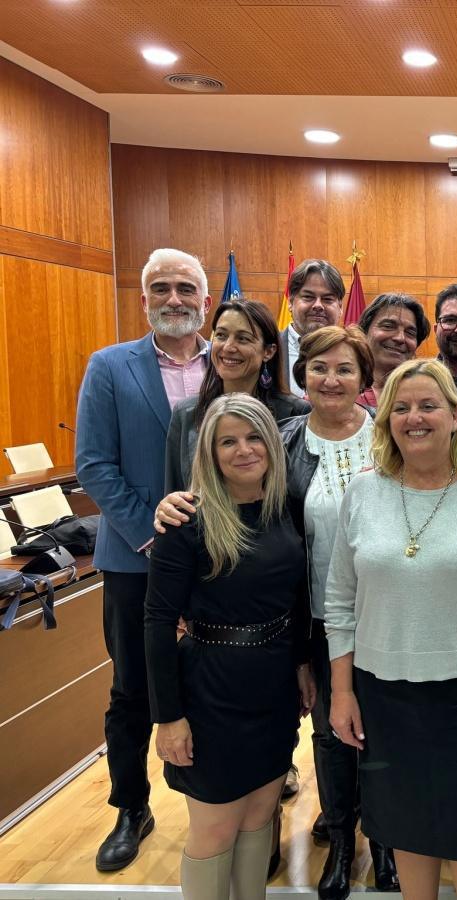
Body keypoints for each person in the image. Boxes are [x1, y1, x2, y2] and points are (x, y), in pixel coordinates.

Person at [155, 325, 398, 898]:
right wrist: (173, 501)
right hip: (310, 622)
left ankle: (386, 842)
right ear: (302, 376)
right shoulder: (281, 439)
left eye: (344, 369)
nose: (331, 379)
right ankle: (340, 841)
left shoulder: (391, 436)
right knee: (332, 736)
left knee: (387, 735)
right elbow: (230, 495)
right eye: (318, 368)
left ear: (366, 378)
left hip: (388, 616)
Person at [325, 359, 457, 900]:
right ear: (386, 420)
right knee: (405, 827)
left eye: (428, 406)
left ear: (455, 415)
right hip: (384, 695)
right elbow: (339, 602)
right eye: (400, 407)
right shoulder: (362, 494)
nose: (414, 418)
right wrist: (342, 692)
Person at [144, 394, 316, 900]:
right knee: (215, 829)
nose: (244, 450)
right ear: (210, 453)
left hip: (274, 686)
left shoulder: (287, 506)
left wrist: (303, 663)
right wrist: (167, 716)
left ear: (272, 442)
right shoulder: (186, 520)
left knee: (260, 820)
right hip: (210, 693)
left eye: (254, 437)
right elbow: (155, 622)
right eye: (228, 441)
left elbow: (298, 595)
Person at [75, 247, 211, 872]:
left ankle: (249, 779)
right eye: (162, 288)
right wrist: (153, 536)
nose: (175, 298)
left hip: (220, 557)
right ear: (144, 299)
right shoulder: (110, 367)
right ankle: (132, 805)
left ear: (206, 301)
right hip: (136, 558)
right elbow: (94, 465)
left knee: (226, 672)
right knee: (133, 686)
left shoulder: (230, 364)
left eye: (187, 287)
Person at [165, 298, 309, 493]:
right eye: (221, 336)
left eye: (243, 338)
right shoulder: (186, 413)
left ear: (268, 351)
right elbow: (176, 494)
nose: (228, 347)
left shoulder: (296, 413)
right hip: (204, 523)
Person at [280, 259, 346, 397]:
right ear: (291, 303)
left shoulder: (354, 354)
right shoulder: (267, 350)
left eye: (327, 299)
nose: (318, 305)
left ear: (340, 307)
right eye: (308, 297)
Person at [357, 292, 430, 411]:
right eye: (388, 326)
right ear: (364, 331)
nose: (400, 338)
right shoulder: (341, 389)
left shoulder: (428, 395)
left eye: (410, 333)